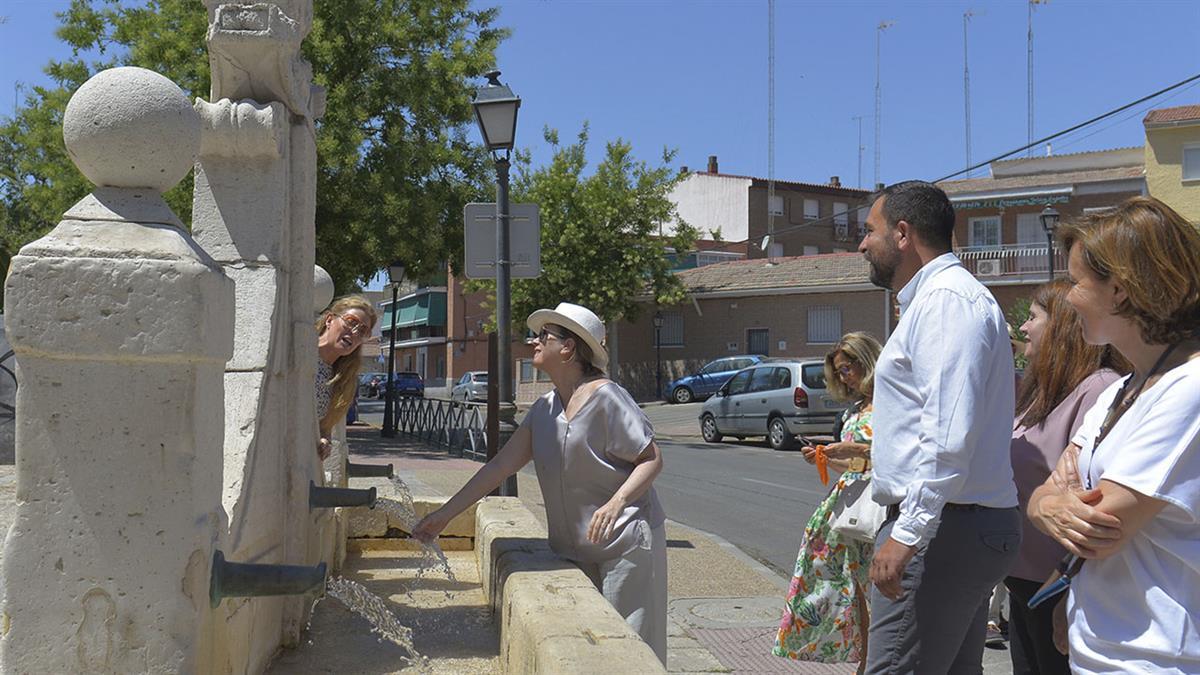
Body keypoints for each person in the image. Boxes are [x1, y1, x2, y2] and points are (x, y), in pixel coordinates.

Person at [412, 302, 668, 663]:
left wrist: (617, 501)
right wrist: (445, 516)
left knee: (632, 652)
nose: (534, 341)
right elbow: (499, 466)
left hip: (625, 543)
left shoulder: (608, 397)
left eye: (544, 336)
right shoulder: (545, 408)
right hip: (573, 548)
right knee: (587, 653)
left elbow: (651, 458)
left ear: (568, 348)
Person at [1026, 196, 1200, 673]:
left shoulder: (1190, 388)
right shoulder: (1122, 389)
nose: (1070, 298)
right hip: (1105, 651)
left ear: (1120, 291)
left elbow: (1100, 529)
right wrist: (1045, 503)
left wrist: (1050, 505)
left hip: (1161, 657)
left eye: (1076, 282)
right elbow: (1047, 493)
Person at [857, 180, 1021, 673]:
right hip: (953, 523)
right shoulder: (940, 299)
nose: (863, 244)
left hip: (945, 527)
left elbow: (949, 435)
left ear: (903, 234)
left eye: (870, 231)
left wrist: (906, 533)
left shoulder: (947, 301)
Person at [1007, 279, 1128, 674]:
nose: (1023, 327)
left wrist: (1067, 587)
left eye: (1032, 316)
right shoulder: (1045, 392)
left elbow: (1093, 497)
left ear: (1061, 325)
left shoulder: (1098, 388)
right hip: (1024, 580)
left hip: (1056, 585)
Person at [773, 332, 882, 670]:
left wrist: (856, 450)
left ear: (867, 363)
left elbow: (900, 458)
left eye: (847, 369)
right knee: (853, 595)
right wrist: (824, 458)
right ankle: (864, 664)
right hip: (848, 509)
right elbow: (855, 467)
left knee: (875, 595)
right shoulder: (857, 408)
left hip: (876, 508)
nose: (844, 378)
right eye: (839, 372)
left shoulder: (893, 403)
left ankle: (876, 664)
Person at [315, 295, 377, 460]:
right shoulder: (299, 352)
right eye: (351, 322)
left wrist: (325, 440)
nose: (355, 332)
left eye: (363, 331)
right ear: (330, 320)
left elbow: (324, 427)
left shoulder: (342, 380)